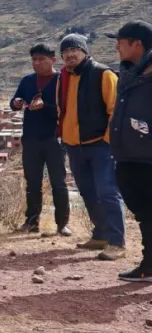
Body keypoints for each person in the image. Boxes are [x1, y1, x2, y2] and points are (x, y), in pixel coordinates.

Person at [56, 33, 126, 260]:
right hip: (75, 146)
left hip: (100, 146)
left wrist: (107, 140)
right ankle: (101, 234)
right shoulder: (64, 78)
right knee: (88, 192)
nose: (69, 54)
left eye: (74, 50)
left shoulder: (103, 74)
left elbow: (115, 111)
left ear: (85, 51)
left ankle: (117, 242)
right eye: (65, 52)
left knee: (107, 192)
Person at [10, 43, 71, 236]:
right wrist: (17, 103)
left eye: (41, 59)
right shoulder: (27, 80)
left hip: (54, 138)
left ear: (52, 60)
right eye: (34, 60)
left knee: (58, 183)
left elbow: (67, 107)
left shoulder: (62, 80)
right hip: (31, 139)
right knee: (33, 182)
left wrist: (46, 106)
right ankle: (31, 222)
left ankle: (62, 224)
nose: (37, 63)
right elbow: (15, 101)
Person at [107, 21, 152, 281]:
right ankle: (149, 264)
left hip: (147, 157)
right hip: (129, 156)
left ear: (137, 44)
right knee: (144, 213)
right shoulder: (129, 74)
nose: (116, 47)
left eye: (121, 42)